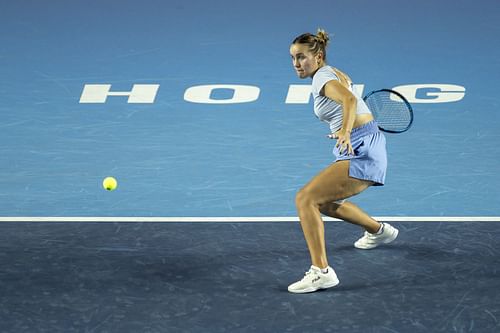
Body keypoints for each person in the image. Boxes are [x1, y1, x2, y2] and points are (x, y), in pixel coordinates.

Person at [287, 29, 399, 294]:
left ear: (318, 56)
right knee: (325, 203)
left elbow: (349, 99)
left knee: (305, 199)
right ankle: (378, 230)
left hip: (361, 145)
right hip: (365, 142)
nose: (296, 64)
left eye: (302, 57)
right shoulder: (332, 72)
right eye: (293, 58)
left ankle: (321, 272)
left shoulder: (322, 78)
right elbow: (348, 101)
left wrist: (346, 132)